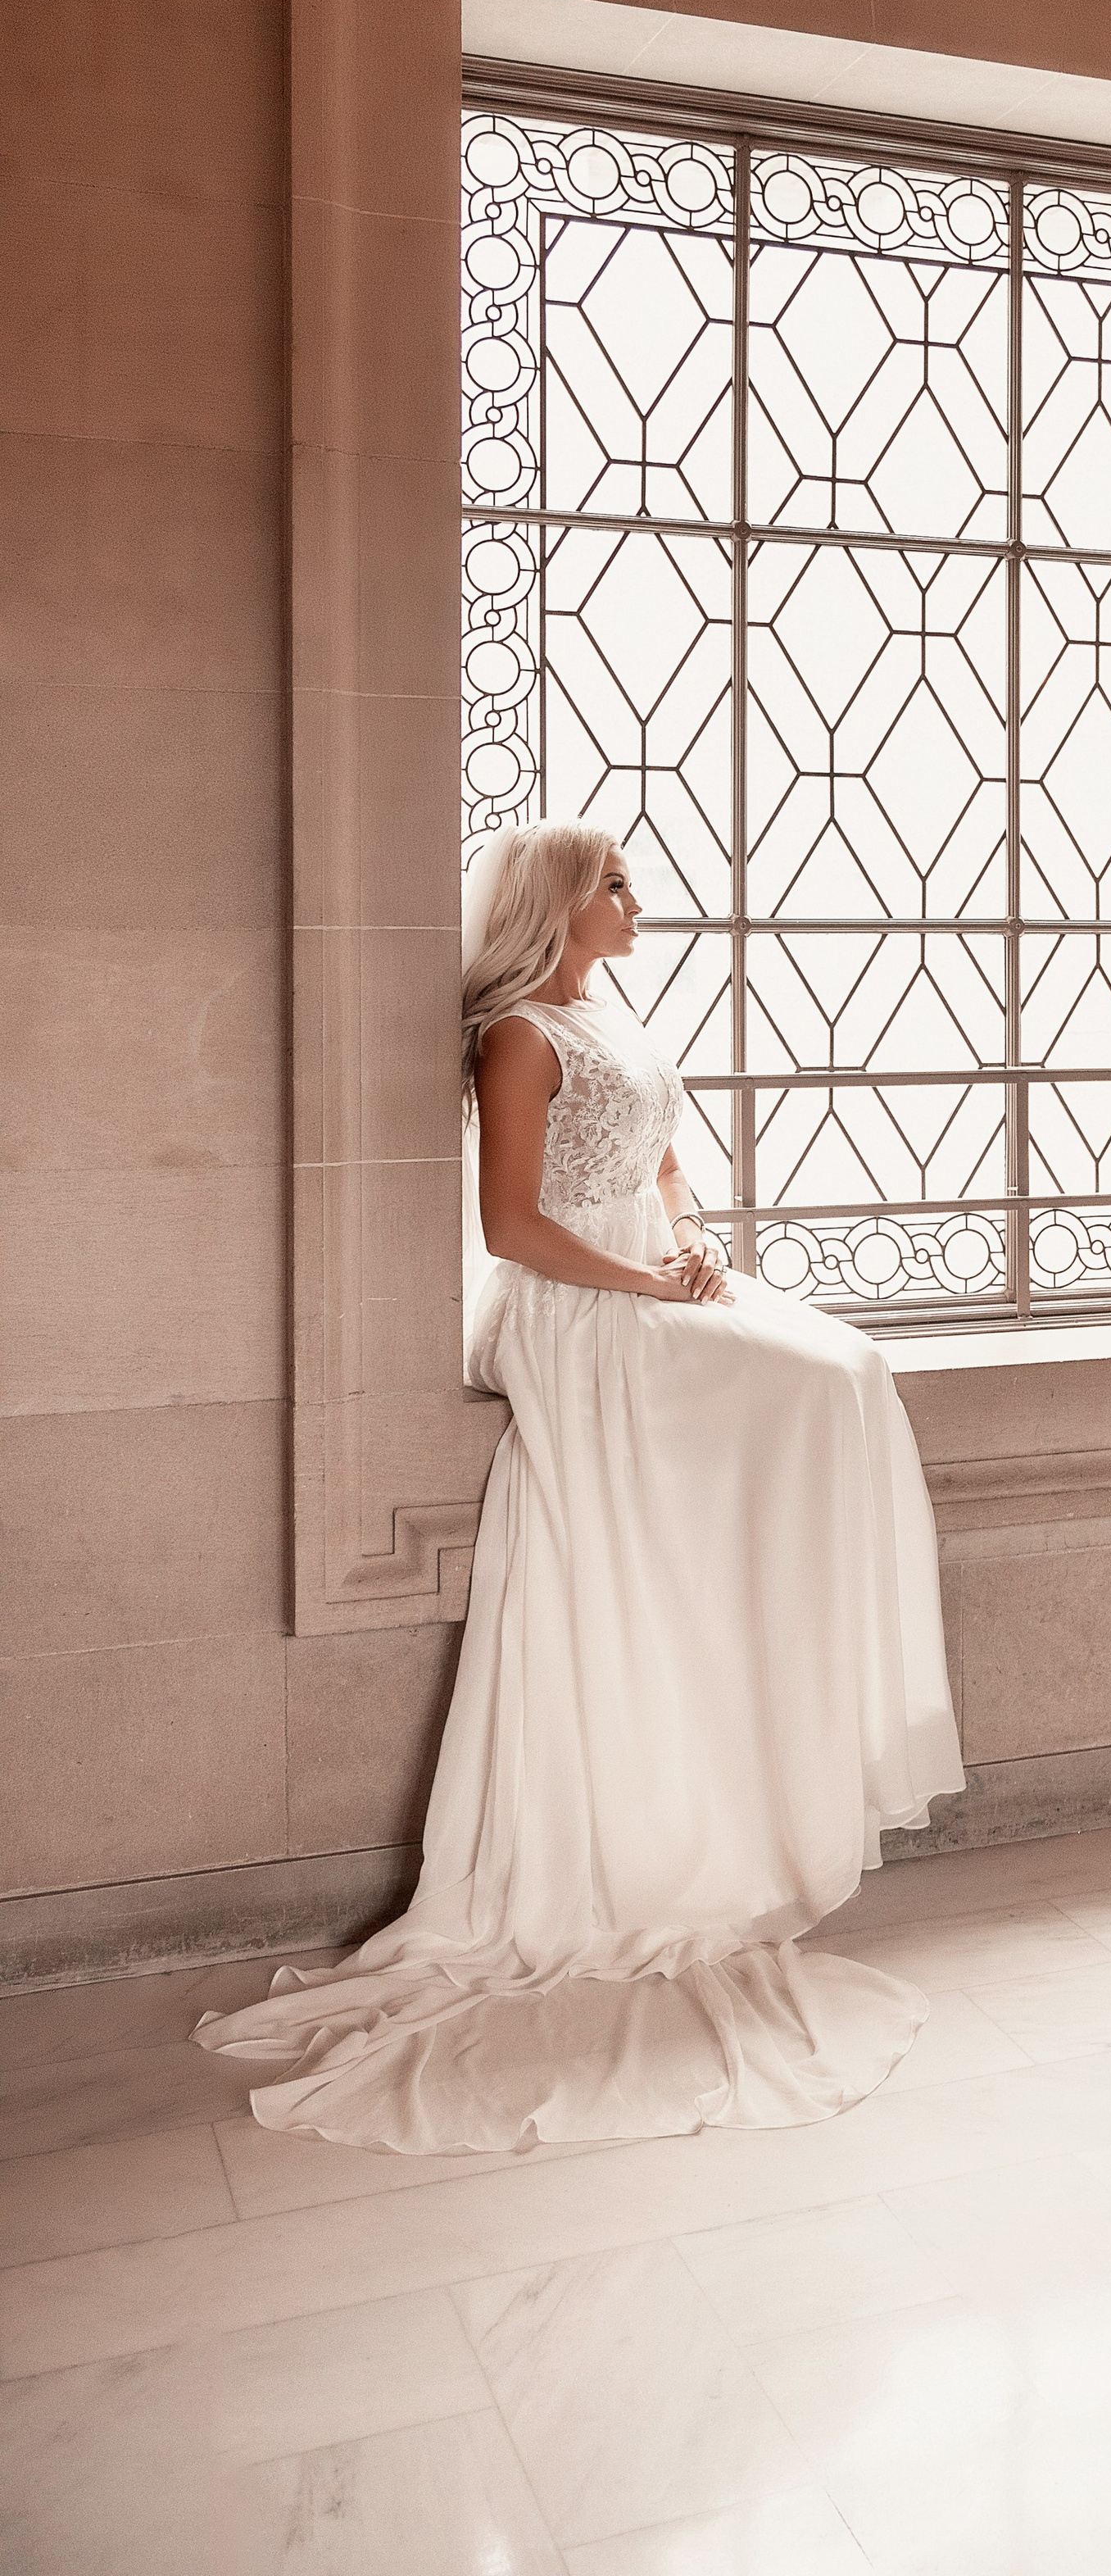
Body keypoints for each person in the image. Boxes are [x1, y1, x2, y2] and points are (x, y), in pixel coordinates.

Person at [197, 820, 964, 2150]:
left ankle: (780, 1650)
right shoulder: (516, 1036)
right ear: (556, 902)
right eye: (611, 881)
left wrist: (697, 1246)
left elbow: (662, 1163)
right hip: (564, 1302)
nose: (634, 896)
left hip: (645, 1279)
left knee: (847, 1368)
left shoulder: (614, 1021)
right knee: (818, 1383)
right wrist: (650, 1284)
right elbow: (511, 1226)